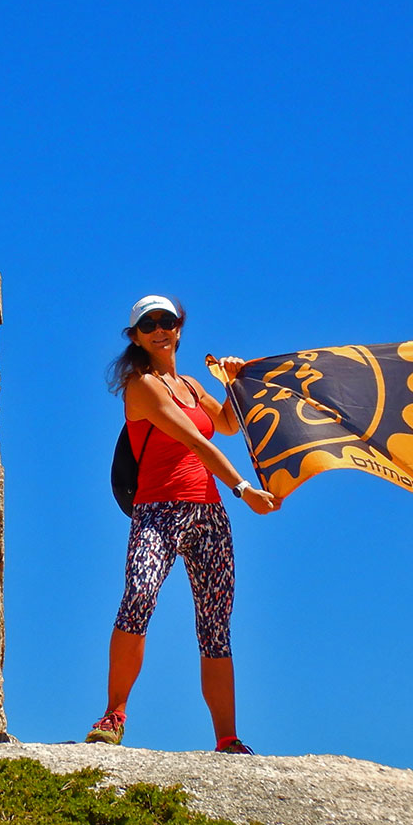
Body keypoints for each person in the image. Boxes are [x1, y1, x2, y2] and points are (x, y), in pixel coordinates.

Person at [86, 294, 280, 753]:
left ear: (179, 327)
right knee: (138, 597)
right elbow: (195, 441)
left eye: (167, 321)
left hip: (208, 515)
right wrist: (244, 488)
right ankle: (114, 715)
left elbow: (230, 425)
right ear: (135, 336)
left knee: (215, 625)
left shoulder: (192, 386)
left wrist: (235, 381)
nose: (159, 329)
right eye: (148, 324)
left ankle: (227, 738)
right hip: (158, 512)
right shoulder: (143, 387)